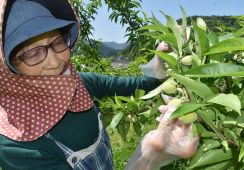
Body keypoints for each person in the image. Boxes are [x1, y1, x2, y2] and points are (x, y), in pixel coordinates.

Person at [0, 0, 199, 170]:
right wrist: (149, 156)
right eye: (32, 53)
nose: (54, 62)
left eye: (58, 42)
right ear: (7, 67)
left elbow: (142, 85)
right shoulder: (17, 145)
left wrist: (161, 60)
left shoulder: (81, 84)